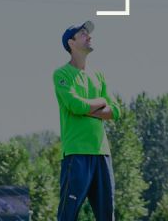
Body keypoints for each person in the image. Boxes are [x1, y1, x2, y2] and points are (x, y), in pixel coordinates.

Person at [52, 21, 118, 221]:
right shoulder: (61, 74)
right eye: (83, 33)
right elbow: (75, 105)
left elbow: (115, 110)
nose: (89, 36)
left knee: (107, 215)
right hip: (76, 154)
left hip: (102, 155)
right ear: (71, 43)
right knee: (68, 215)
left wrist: (88, 109)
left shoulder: (98, 75)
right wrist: (100, 101)